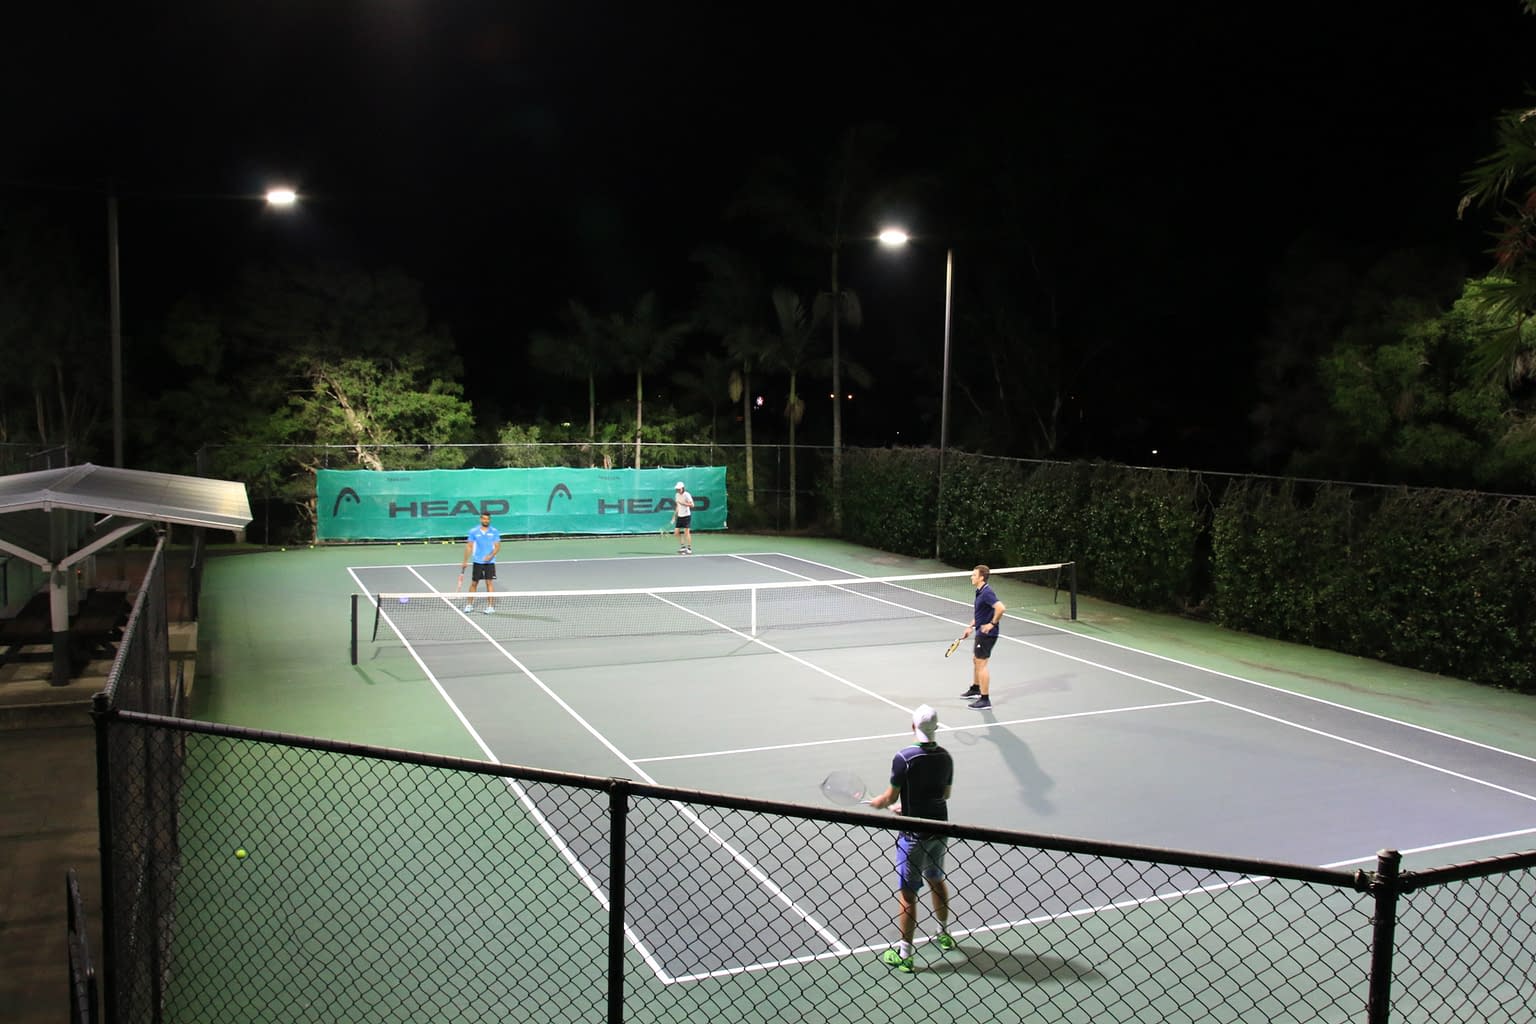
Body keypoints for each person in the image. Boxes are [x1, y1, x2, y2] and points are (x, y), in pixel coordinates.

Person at [869, 704, 955, 974]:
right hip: (939, 827)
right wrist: (905, 806)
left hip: (913, 835)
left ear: (913, 727)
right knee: (937, 879)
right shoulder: (946, 757)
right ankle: (943, 933)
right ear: (936, 728)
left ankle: (905, 954)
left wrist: (880, 803)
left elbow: (889, 797)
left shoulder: (904, 757)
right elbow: (944, 794)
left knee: (908, 893)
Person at [960, 564, 1006, 710]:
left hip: (987, 634)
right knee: (976, 660)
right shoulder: (979, 591)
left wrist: (992, 624)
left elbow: (1001, 608)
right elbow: (980, 613)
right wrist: (970, 626)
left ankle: (985, 699)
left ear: (981, 577)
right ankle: (975, 688)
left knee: (981, 663)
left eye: (974, 575)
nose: (971, 577)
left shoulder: (987, 592)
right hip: (980, 631)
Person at [460, 512, 501, 614]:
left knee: (489, 583)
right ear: (481, 519)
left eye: (488, 519)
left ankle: (491, 607)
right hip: (477, 561)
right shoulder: (473, 531)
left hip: (490, 562)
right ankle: (469, 605)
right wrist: (465, 561)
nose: (486, 521)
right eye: (484, 519)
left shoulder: (494, 531)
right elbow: (469, 546)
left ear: (489, 520)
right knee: (474, 583)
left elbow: (497, 547)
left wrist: (490, 556)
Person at [671, 480, 694, 554]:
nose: (677, 490)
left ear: (683, 488)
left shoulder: (687, 495)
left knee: (686, 533)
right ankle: (683, 547)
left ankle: (689, 548)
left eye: (679, 489)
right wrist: (674, 517)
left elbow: (692, 505)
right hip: (680, 516)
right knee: (676, 533)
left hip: (687, 516)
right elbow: (678, 506)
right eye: (677, 489)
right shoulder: (677, 495)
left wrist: (683, 503)